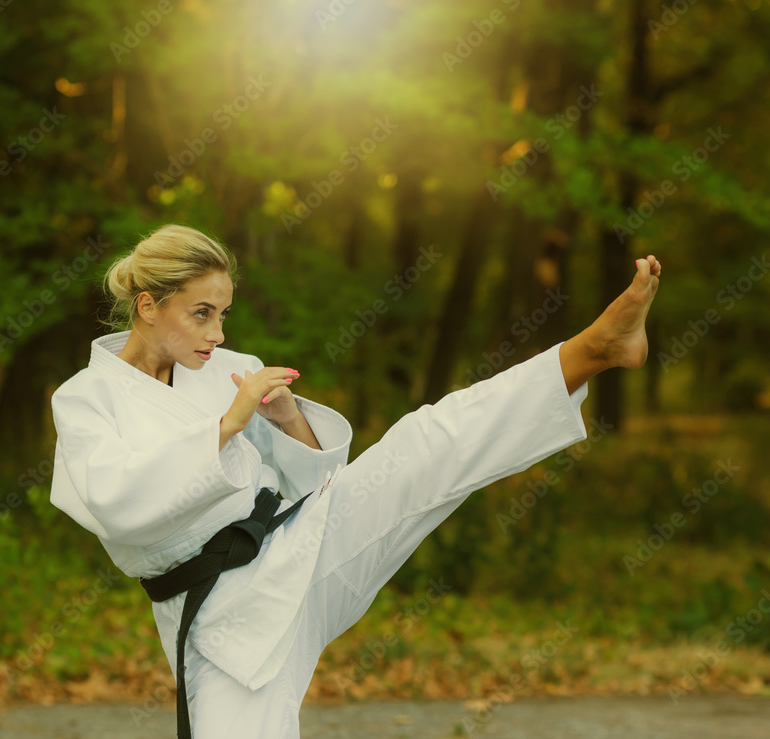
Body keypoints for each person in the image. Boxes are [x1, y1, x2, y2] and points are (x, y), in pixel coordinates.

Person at [48, 223, 661, 738]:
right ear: (148, 306)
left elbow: (315, 480)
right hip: (219, 617)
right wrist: (227, 426)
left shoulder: (228, 369)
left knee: (424, 444)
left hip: (297, 550)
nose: (219, 334)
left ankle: (594, 349)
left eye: (223, 314)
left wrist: (287, 419)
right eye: (201, 314)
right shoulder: (86, 399)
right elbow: (116, 503)